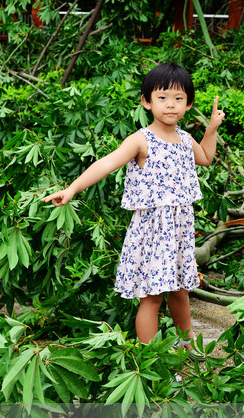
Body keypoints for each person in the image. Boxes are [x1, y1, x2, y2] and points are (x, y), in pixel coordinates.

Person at [42, 62, 225, 351]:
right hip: (152, 230)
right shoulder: (141, 139)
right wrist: (72, 188)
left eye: (178, 99)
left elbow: (204, 157)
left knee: (181, 291)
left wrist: (212, 128)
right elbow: (107, 162)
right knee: (151, 297)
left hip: (179, 227)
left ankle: (190, 347)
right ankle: (149, 359)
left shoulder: (186, 139)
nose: (170, 105)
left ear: (188, 104)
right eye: (162, 97)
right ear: (147, 101)